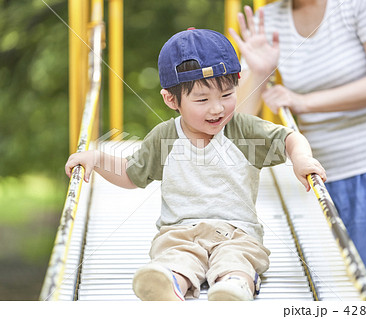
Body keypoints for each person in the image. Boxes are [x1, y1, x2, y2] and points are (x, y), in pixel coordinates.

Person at [65, 28, 326, 301]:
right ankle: (169, 284)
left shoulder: (245, 131)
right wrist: (97, 159)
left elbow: (290, 139)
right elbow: (132, 173)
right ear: (171, 99)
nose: (217, 108)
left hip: (236, 231)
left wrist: (302, 159)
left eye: (226, 95)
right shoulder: (164, 137)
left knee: (237, 258)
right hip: (181, 232)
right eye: (202, 100)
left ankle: (234, 287)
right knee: (175, 257)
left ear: (237, 84)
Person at [230, 0, 366, 300]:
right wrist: (260, 71)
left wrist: (303, 101)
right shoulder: (269, 17)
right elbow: (236, 121)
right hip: (316, 184)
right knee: (336, 298)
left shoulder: (363, 4)